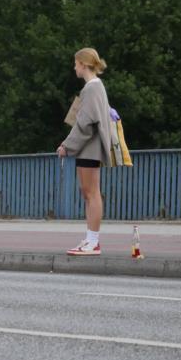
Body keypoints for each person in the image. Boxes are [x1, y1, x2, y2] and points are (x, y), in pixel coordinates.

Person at [56, 48, 114, 256]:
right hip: (89, 147)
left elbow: (85, 124)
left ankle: (93, 241)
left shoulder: (91, 88)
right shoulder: (96, 87)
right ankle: (90, 239)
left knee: (91, 193)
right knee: (89, 193)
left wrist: (67, 146)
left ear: (83, 64)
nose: (74, 68)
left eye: (76, 64)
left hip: (90, 148)